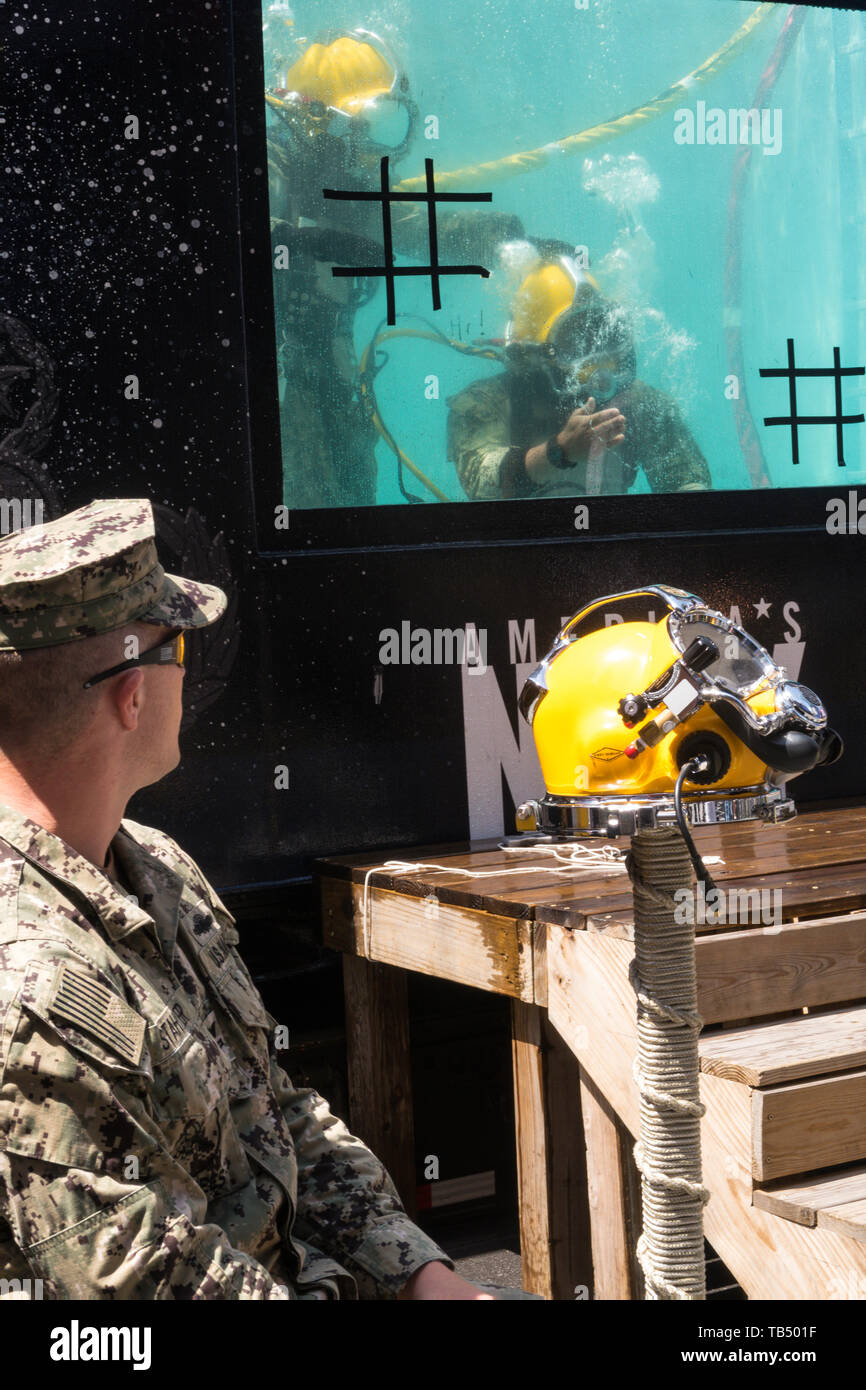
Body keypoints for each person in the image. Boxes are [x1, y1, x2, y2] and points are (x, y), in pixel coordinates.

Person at [0, 498, 539, 1300]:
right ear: (132, 695)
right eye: (178, 643)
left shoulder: (156, 868)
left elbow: (271, 1109)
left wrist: (420, 1272)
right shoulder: (28, 986)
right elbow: (144, 1286)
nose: (194, 666)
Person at [265, 28, 526, 509]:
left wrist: (507, 237)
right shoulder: (272, 164)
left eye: (382, 126)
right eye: (364, 127)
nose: (374, 147)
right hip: (273, 371)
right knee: (303, 500)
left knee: (350, 495)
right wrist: (304, 238)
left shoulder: (347, 179)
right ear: (327, 122)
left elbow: (414, 225)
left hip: (332, 365)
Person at [447, 255, 712, 500]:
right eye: (574, 341)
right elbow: (479, 480)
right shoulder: (486, 400)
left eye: (604, 335)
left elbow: (688, 487)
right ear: (534, 352)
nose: (597, 357)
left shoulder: (640, 403)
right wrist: (559, 451)